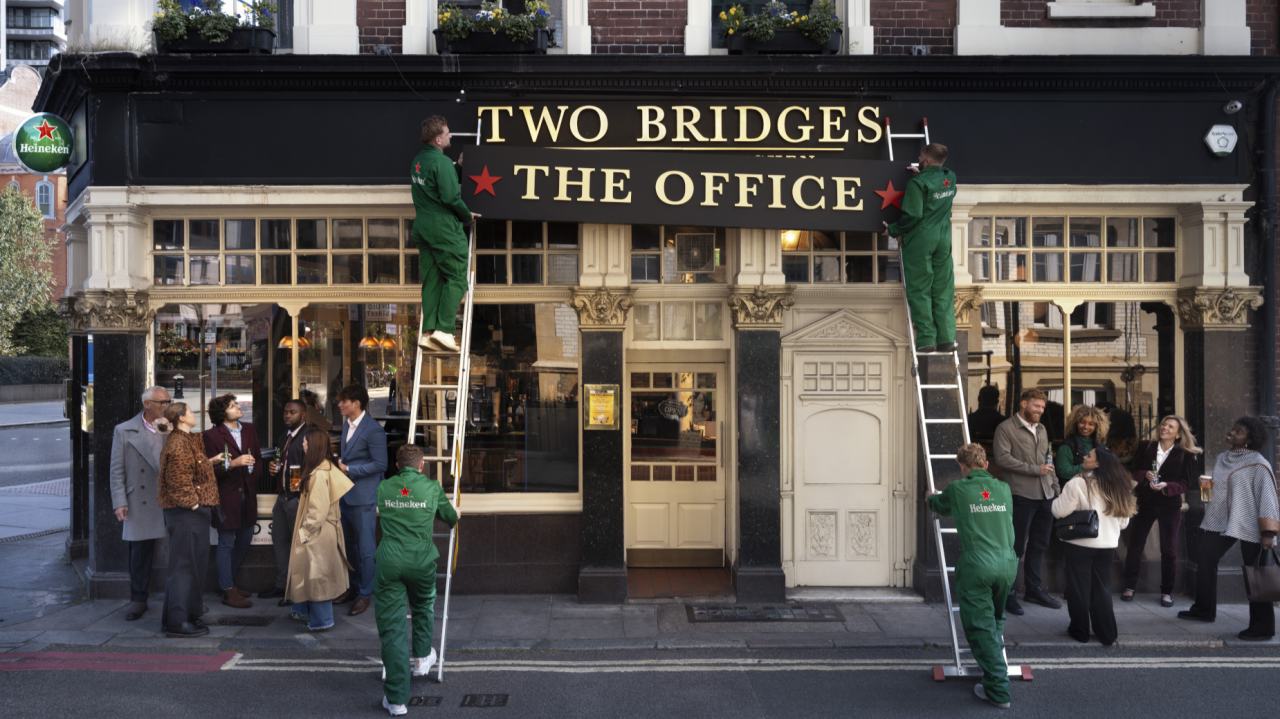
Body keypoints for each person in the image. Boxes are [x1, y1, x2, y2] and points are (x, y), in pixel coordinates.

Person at [926, 443, 1017, 709]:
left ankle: (998, 690)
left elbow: (939, 506)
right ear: (986, 465)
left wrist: (929, 496)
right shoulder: (1002, 489)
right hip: (1008, 562)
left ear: (962, 466)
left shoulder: (957, 489)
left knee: (980, 626)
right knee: (995, 620)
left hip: (978, 563)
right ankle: (994, 668)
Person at [1178, 416, 1280, 641]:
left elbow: (1268, 498)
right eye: (1233, 428)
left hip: (1252, 524)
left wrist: (1268, 533)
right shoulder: (1223, 458)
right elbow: (1219, 491)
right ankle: (1204, 610)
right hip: (1221, 519)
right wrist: (1207, 490)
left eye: (1239, 431)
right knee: (1205, 557)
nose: (1232, 432)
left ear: (1249, 439)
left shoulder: (1258, 464)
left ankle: (1263, 628)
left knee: (1257, 572)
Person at [375, 444, 459, 716]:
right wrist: (455, 513)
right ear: (421, 465)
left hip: (389, 560)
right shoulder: (432, 487)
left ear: (397, 466)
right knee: (423, 605)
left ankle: (397, 701)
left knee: (393, 628)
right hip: (421, 560)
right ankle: (422, 658)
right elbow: (449, 518)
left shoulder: (384, 487)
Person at [1051, 446, 1136, 646]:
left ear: (1097, 463)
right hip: (1107, 545)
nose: (1084, 457)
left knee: (1079, 588)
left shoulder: (1078, 483)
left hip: (1080, 543)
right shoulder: (1119, 485)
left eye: (1089, 455)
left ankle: (1079, 631)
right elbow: (1123, 523)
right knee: (1102, 589)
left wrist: (1056, 499)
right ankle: (1107, 633)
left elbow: (1059, 511)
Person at [411, 114, 480, 353]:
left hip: (422, 225)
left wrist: (458, 166)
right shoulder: (441, 163)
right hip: (443, 228)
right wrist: (467, 215)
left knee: (432, 279)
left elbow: (436, 181)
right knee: (458, 277)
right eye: (448, 133)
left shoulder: (419, 160)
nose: (451, 135)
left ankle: (429, 332)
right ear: (439, 139)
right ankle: (445, 331)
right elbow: (451, 197)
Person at [882, 142, 957, 354]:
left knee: (920, 289)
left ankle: (926, 339)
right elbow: (939, 186)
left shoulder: (917, 184)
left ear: (927, 160)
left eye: (921, 157)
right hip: (943, 239)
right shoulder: (950, 177)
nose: (918, 160)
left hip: (921, 240)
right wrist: (923, 174)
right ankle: (947, 339)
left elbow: (912, 216)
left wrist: (893, 230)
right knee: (943, 289)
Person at [992, 387, 1062, 615]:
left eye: (1043, 407)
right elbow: (1003, 459)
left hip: (1045, 496)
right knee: (1015, 547)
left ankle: (1033, 589)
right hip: (1021, 495)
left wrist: (1055, 488)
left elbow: (1047, 460)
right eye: (1036, 406)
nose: (1040, 410)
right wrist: (1036, 470)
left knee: (1039, 545)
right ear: (1024, 404)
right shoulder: (1005, 428)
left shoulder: (1042, 429)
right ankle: (1008, 593)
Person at [1121, 415, 1201, 607]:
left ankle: (1167, 592)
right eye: (1164, 424)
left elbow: (1185, 483)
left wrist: (1167, 485)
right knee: (1135, 546)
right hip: (1146, 501)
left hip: (1170, 506)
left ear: (1179, 433)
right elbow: (1134, 470)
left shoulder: (1185, 454)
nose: (1164, 427)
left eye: (1170, 426)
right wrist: (1144, 475)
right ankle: (1129, 587)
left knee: (1169, 550)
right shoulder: (1146, 446)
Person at [157, 402, 221, 638]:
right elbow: (179, 483)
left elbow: (190, 467)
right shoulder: (179, 445)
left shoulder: (182, 440)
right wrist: (195, 505)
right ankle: (178, 623)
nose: (195, 415)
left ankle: (174, 619)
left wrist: (211, 461)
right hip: (187, 514)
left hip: (186, 514)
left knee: (185, 567)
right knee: (185, 568)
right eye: (191, 412)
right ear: (181, 419)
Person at [109, 386, 171, 622]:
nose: (167, 405)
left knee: (175, 550)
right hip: (140, 499)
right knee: (140, 553)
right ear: (148, 404)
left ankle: (180, 597)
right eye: (162, 402)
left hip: (168, 496)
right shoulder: (124, 430)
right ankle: (139, 599)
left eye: (168, 401)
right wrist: (119, 502)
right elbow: (116, 470)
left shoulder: (169, 426)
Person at [285, 426, 354, 633]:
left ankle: (322, 620)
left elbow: (317, 511)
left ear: (312, 445)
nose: (303, 444)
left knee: (317, 577)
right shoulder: (325, 467)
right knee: (315, 574)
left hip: (317, 532)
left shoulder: (318, 474)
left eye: (305, 441)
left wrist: (304, 532)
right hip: (324, 531)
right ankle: (303, 612)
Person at [202, 394, 262, 609]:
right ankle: (228, 590)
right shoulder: (210, 436)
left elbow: (258, 458)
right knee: (226, 543)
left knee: (245, 539)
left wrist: (253, 477)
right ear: (222, 413)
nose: (238, 406)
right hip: (225, 496)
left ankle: (226, 583)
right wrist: (234, 464)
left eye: (236, 403)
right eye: (232, 405)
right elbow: (208, 470)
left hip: (248, 493)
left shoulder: (249, 429)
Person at [334, 383, 388, 617]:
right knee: (349, 547)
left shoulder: (373, 429)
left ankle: (365, 594)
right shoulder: (348, 424)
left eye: (343, 401)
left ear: (356, 403)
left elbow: (380, 465)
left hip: (364, 497)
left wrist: (348, 469)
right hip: (345, 494)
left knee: (366, 549)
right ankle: (355, 587)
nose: (339, 404)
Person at [260, 398, 311, 604]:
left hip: (298, 499)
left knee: (299, 547)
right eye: (286, 413)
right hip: (282, 497)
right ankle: (282, 585)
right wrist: (275, 468)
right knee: (280, 542)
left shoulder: (310, 437)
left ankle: (297, 591)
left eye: (293, 412)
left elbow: (316, 467)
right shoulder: (284, 437)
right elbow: (281, 461)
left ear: (303, 415)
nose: (287, 416)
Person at [1056, 404, 1110, 483]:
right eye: (1082, 422)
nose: (1086, 427)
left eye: (1091, 424)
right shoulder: (1067, 445)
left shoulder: (1100, 445)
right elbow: (1062, 471)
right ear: (1075, 423)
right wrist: (1085, 467)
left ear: (1097, 426)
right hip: (1073, 490)